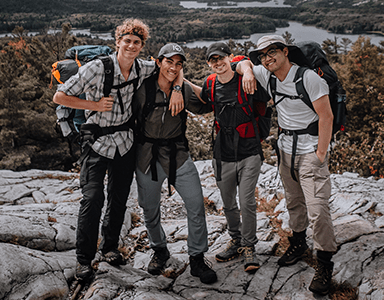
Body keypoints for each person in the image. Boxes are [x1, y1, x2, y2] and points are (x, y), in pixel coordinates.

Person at [53, 19, 184, 282]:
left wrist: (179, 88)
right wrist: (93, 104)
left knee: (118, 198)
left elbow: (172, 69)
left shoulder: (142, 67)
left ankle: (110, 247)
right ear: (118, 42)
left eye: (137, 42)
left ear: (141, 46)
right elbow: (60, 96)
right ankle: (84, 260)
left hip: (125, 142)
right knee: (92, 199)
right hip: (96, 142)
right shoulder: (96, 69)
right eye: (127, 40)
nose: (132, 46)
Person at [237, 35, 337, 295]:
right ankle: (299, 243)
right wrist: (248, 70)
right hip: (284, 150)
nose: (267, 58)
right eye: (262, 55)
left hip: (310, 151)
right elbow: (236, 63)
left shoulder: (309, 78)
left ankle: (325, 263)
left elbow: (327, 117)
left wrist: (320, 154)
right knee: (293, 201)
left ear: (285, 52)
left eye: (272, 52)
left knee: (318, 209)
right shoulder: (267, 74)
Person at [133, 43, 217, 284]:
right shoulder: (142, 89)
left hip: (177, 154)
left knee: (195, 205)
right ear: (158, 62)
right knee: (149, 208)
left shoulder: (184, 89)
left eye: (179, 63)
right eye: (169, 61)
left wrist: (218, 85)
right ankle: (159, 250)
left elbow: (206, 106)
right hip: (147, 156)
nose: (174, 67)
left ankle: (197, 258)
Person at [188, 42, 269, 273]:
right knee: (229, 203)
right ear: (208, 64)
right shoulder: (211, 84)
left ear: (230, 58)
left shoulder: (247, 80)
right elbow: (203, 99)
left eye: (221, 58)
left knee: (247, 201)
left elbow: (266, 98)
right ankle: (235, 240)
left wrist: (248, 69)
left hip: (249, 151)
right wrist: (180, 82)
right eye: (212, 60)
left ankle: (249, 246)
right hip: (222, 153)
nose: (217, 63)